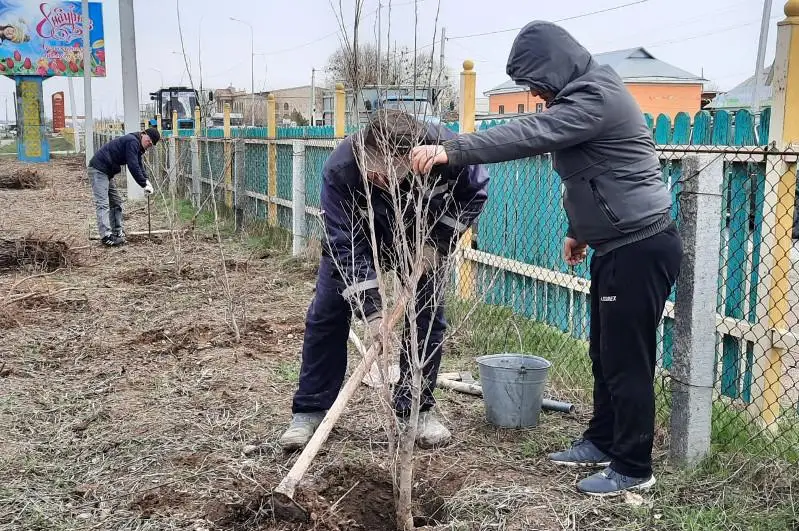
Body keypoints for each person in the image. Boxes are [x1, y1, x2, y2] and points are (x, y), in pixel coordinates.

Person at [410, 21, 683, 496]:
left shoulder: (595, 95)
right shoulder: (583, 95)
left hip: (641, 246)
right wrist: (579, 232)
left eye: (536, 82)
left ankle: (634, 466)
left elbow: (531, 134)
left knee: (626, 361)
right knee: (604, 353)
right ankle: (602, 440)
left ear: (554, 65)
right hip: (616, 244)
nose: (536, 94)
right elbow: (595, 170)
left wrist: (452, 150)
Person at [279, 110, 489, 452]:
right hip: (361, 238)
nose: (378, 178)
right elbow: (344, 245)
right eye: (372, 171)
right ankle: (310, 410)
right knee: (327, 312)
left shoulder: (449, 153)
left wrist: (438, 244)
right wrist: (374, 314)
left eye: (387, 173)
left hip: (423, 237)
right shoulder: (341, 167)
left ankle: (417, 409)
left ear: (415, 157)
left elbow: (474, 194)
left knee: (426, 315)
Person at [88, 128, 159, 246]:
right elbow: (133, 165)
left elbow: (139, 164)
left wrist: (146, 181)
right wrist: (143, 183)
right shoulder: (132, 141)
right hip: (98, 169)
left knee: (116, 202)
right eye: (149, 141)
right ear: (143, 134)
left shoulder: (137, 145)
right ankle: (106, 236)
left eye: (152, 144)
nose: (149, 145)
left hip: (107, 172)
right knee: (103, 204)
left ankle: (117, 232)